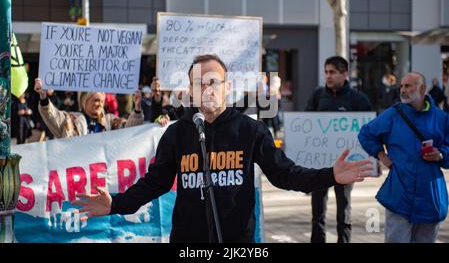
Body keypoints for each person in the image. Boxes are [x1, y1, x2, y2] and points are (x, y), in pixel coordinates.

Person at [72, 54, 373, 243]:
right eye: (199, 83)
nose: (207, 89)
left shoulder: (250, 130)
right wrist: (116, 204)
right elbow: (155, 184)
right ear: (189, 91)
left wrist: (330, 175)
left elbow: (285, 174)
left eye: (213, 82)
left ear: (228, 87)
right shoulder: (177, 134)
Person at [358, 72, 449, 243]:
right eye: (402, 86)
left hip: (430, 195)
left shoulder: (441, 118)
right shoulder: (393, 114)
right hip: (400, 192)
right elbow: (365, 134)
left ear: (422, 89)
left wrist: (441, 154)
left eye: (408, 86)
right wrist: (381, 156)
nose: (403, 90)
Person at [305, 56, 372, 243]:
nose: (328, 76)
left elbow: (369, 131)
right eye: (326, 72)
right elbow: (306, 126)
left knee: (344, 210)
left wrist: (371, 159)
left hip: (347, 164)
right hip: (319, 164)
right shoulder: (317, 96)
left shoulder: (358, 99)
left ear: (345, 74)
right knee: (317, 210)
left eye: (333, 72)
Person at [34, 78, 144, 138]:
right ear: (84, 102)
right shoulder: (71, 120)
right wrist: (43, 97)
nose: (100, 104)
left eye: (102, 101)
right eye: (96, 100)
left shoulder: (111, 121)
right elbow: (52, 116)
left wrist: (137, 108)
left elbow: (131, 131)